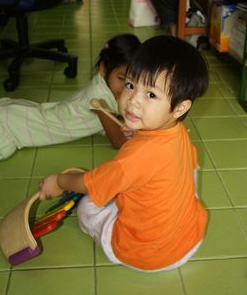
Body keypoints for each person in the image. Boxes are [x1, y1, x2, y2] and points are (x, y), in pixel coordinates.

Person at [38, 35, 209, 271]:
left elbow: (91, 183)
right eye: (130, 85)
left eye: (150, 95)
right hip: (188, 238)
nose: (132, 102)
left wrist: (58, 181)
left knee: (87, 208)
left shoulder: (135, 158)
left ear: (180, 107)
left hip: (146, 254)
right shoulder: (178, 131)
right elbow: (188, 165)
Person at [0, 33, 140, 162]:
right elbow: (118, 142)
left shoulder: (106, 85)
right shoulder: (99, 98)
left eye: (133, 82)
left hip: (26, 114)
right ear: (103, 68)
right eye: (122, 79)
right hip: (14, 126)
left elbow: (115, 120)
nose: (127, 87)